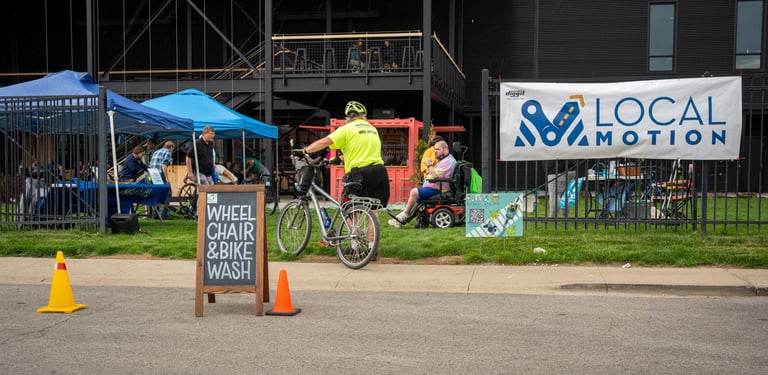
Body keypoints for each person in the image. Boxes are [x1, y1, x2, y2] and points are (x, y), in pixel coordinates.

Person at [302, 101, 390, 257]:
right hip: (380, 172)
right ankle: (372, 249)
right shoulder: (372, 129)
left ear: (348, 117)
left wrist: (305, 151)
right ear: (363, 116)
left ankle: (356, 245)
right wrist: (338, 159)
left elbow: (325, 142)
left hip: (359, 174)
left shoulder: (347, 128)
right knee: (373, 211)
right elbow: (360, 150)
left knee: (347, 208)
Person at [389, 140, 456, 228]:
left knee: (414, 192)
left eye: (438, 149)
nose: (435, 152)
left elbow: (435, 176)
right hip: (436, 187)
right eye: (435, 149)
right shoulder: (446, 160)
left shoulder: (446, 162)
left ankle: (403, 216)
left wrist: (429, 165)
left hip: (439, 189)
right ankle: (401, 219)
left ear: (445, 150)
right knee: (418, 199)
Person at [149, 141, 175, 218]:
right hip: (160, 174)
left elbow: (150, 164)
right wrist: (167, 177)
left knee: (156, 193)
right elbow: (164, 165)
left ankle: (155, 213)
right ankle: (164, 213)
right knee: (168, 193)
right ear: (171, 147)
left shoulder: (156, 151)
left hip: (153, 174)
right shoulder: (168, 152)